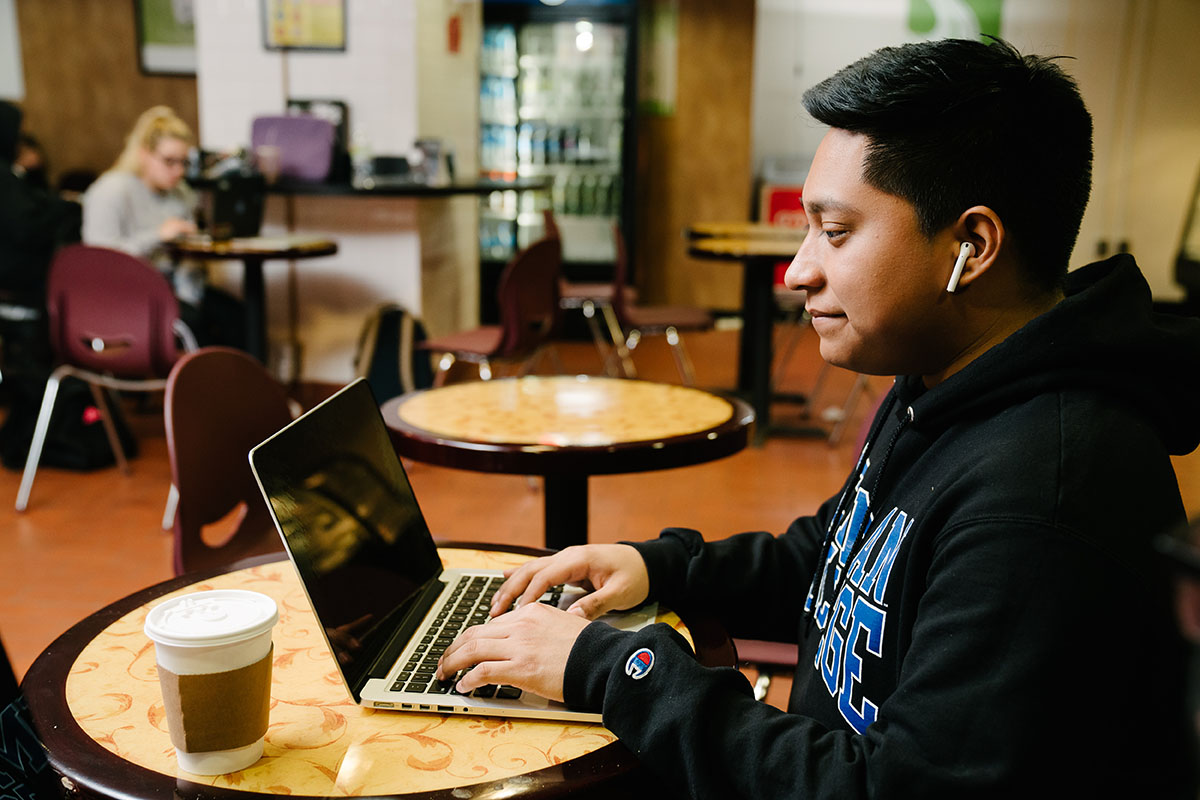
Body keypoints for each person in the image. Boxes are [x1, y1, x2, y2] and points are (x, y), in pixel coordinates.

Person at [434, 37, 1200, 798]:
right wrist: (660, 567)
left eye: (835, 232)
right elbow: (835, 556)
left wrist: (610, 666)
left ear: (972, 246)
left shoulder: (1046, 499)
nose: (799, 271)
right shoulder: (948, 375)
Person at [82, 106, 242, 347]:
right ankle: (192, 382)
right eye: (169, 161)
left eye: (184, 162)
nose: (178, 171)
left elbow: (187, 260)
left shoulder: (182, 194)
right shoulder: (110, 192)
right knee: (196, 325)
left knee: (236, 317)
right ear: (144, 154)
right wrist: (158, 236)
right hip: (126, 295)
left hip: (174, 288)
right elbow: (102, 263)